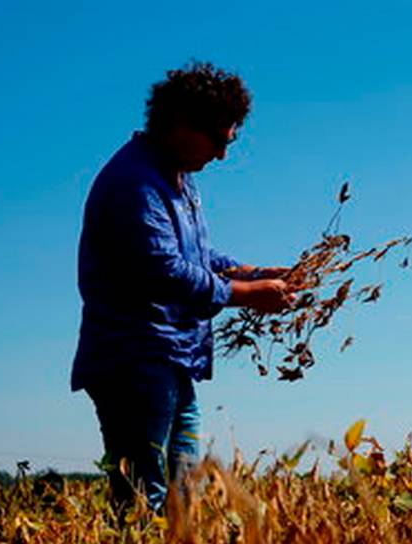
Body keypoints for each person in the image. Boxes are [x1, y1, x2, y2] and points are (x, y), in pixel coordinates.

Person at [70, 61, 294, 512]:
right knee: (143, 497)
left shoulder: (176, 179)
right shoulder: (134, 182)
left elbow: (196, 257)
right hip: (134, 359)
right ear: (182, 125)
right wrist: (248, 296)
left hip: (170, 357)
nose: (221, 155)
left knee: (182, 497)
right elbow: (163, 269)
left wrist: (252, 272)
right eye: (218, 140)